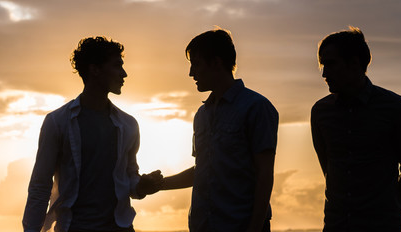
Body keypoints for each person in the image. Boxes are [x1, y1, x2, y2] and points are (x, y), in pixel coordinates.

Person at [22, 36, 162, 232]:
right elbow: (40, 185)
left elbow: (130, 181)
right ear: (94, 69)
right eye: (117, 66)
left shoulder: (129, 124)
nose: (124, 73)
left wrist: (143, 185)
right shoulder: (57, 122)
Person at [158, 28, 279, 232]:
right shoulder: (201, 115)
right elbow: (203, 170)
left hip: (239, 224)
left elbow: (265, 173)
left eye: (196, 64)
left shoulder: (256, 107)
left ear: (216, 63)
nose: (191, 73)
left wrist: (255, 227)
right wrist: (158, 184)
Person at [311, 26, 401, 232]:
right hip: (337, 225)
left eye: (330, 64)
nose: (324, 73)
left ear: (354, 63)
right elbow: (328, 168)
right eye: (322, 65)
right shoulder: (320, 112)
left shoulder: (397, 109)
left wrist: (392, 209)